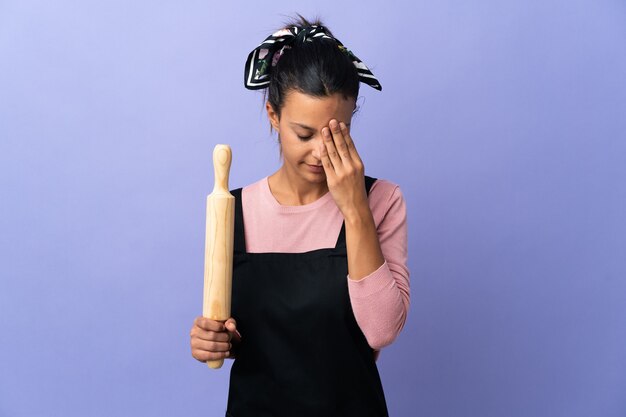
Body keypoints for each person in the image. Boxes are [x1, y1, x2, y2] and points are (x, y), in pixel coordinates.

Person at [190, 14, 410, 417]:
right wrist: (217, 340)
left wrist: (355, 209)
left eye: (335, 134)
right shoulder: (232, 210)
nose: (318, 153)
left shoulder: (381, 200)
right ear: (273, 116)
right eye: (304, 135)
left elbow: (381, 330)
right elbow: (245, 334)